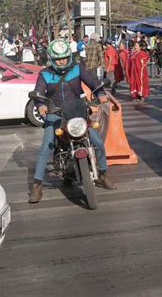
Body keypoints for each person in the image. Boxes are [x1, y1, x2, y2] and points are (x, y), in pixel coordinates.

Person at [29, 39, 116, 203]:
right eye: (58, 59)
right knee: (46, 146)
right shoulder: (45, 74)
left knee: (96, 141)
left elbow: (93, 82)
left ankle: (103, 174)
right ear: (52, 59)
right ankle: (36, 185)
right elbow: (38, 92)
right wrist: (41, 105)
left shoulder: (77, 68)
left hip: (76, 112)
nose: (62, 61)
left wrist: (101, 94)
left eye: (64, 57)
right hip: (55, 114)